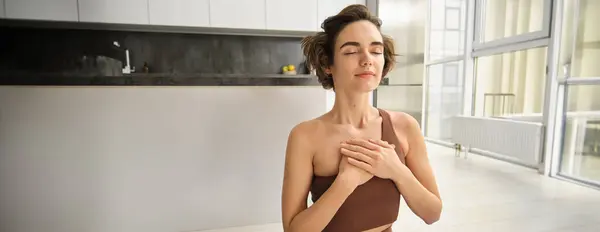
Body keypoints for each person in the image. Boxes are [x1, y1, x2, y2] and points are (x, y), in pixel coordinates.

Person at [280, 4, 442, 232]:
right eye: (351, 51)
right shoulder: (305, 136)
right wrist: (345, 182)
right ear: (328, 64)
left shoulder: (405, 126)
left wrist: (396, 169)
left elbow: (432, 213)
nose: (367, 59)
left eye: (376, 51)